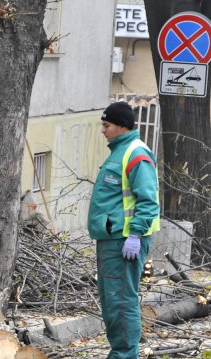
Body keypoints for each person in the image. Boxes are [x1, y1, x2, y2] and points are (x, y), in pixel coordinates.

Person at [88, 101, 160, 359]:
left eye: (106, 125)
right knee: (112, 303)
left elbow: (148, 201)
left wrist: (136, 234)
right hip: (112, 240)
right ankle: (120, 353)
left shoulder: (136, 154)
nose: (103, 131)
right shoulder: (120, 151)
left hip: (124, 242)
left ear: (121, 126)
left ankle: (125, 356)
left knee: (121, 303)